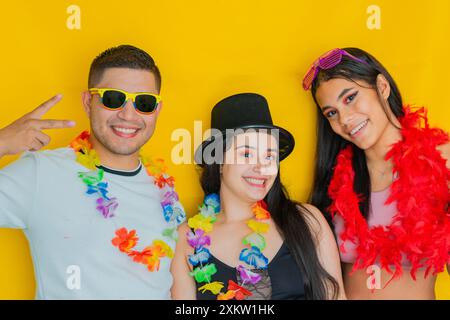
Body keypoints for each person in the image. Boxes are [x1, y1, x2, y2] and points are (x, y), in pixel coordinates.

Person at [0, 44, 185, 299]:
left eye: (144, 102)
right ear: (88, 102)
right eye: (113, 98)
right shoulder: (41, 173)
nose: (128, 115)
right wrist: (1, 143)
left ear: (157, 110)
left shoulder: (166, 190)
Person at [303, 47, 450, 299]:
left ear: (382, 86)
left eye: (350, 98)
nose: (345, 119)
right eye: (332, 113)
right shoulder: (335, 181)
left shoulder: (441, 160)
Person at [171, 93, 345, 300]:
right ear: (218, 162)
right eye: (246, 154)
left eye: (270, 156)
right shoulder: (188, 239)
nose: (262, 167)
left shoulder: (306, 220)